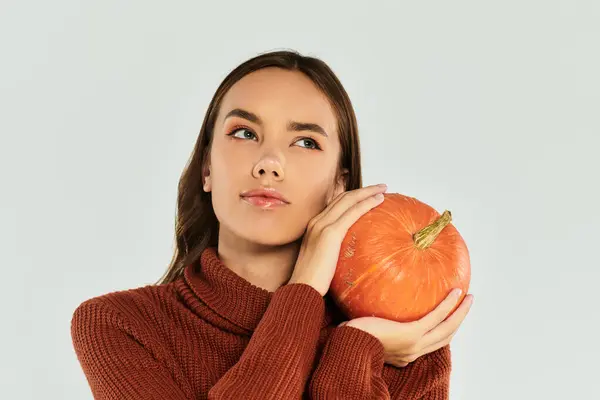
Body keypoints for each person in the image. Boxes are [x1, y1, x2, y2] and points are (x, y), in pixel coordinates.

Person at [70, 49, 473, 399]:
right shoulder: (120, 325)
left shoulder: (403, 341)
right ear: (207, 168)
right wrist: (306, 290)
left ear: (341, 185)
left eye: (305, 142)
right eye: (244, 133)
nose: (269, 163)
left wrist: (354, 347)